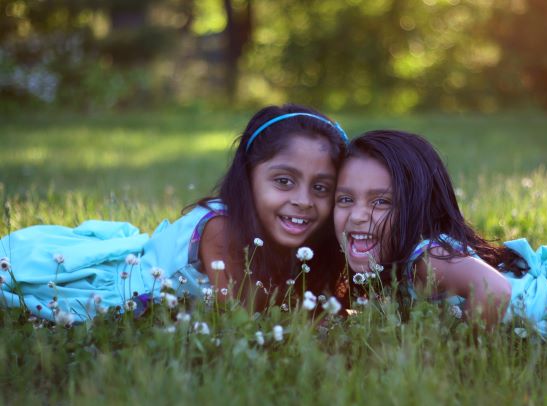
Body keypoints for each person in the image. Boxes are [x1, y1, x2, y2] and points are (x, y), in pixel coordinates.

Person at [0, 104, 348, 323]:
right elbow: (246, 321)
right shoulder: (223, 231)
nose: (303, 200)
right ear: (249, 177)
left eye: (321, 188)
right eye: (284, 181)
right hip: (96, 291)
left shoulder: (305, 239)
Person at [333, 130, 547, 338]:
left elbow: (495, 290)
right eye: (345, 199)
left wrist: (461, 352)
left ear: (418, 206)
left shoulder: (427, 257)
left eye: (381, 202)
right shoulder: (393, 265)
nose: (357, 215)